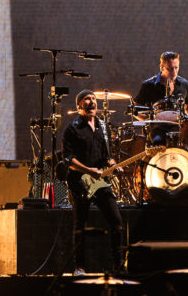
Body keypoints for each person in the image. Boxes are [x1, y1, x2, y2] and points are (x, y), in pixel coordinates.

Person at [63, 90, 124, 276]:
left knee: (117, 222)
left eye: (93, 99)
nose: (92, 102)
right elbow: (68, 159)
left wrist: (114, 166)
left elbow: (107, 156)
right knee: (80, 224)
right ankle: (79, 267)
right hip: (80, 181)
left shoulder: (103, 127)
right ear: (79, 105)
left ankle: (118, 266)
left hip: (100, 183)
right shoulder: (72, 129)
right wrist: (89, 171)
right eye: (87, 99)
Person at [135, 51, 188, 145]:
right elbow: (135, 109)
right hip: (158, 128)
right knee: (158, 143)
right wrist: (149, 120)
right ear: (161, 67)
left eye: (176, 68)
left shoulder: (184, 83)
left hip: (179, 127)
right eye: (170, 69)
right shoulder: (148, 85)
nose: (174, 72)